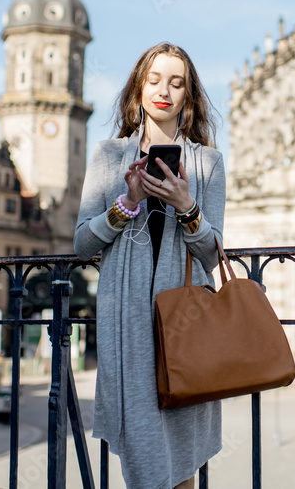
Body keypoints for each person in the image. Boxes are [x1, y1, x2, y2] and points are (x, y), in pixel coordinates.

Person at [74, 42, 225, 489]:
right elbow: (83, 243)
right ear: (139, 89)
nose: (164, 90)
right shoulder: (108, 156)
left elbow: (213, 255)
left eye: (176, 83)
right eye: (154, 80)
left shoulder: (208, 163)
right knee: (143, 457)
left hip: (187, 327)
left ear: (188, 98)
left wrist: (187, 205)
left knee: (182, 460)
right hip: (130, 328)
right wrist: (128, 202)